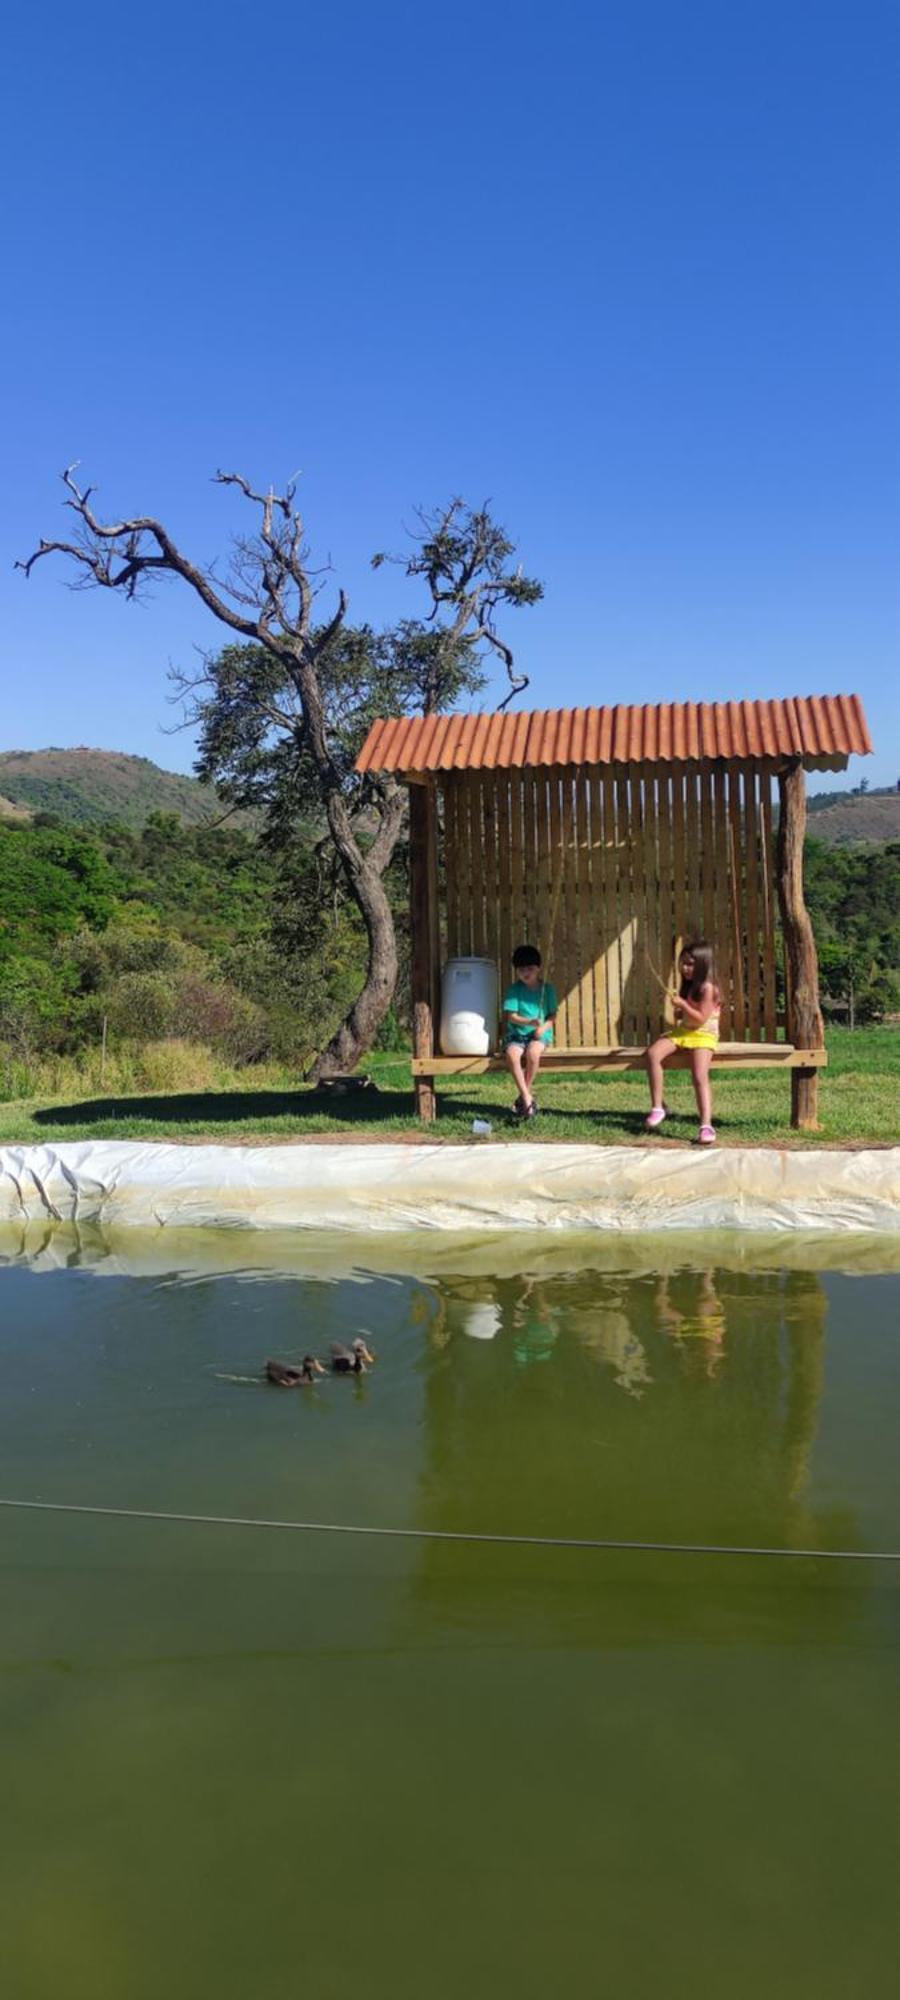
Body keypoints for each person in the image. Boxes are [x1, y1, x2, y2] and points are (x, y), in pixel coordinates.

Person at [644, 939, 720, 1145]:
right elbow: (686, 1018)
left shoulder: (708, 988)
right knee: (653, 1054)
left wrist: (683, 1006)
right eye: (683, 963)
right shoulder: (688, 985)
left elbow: (700, 1018)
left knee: (699, 1075)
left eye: (690, 964)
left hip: (703, 1034)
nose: (685, 968)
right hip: (685, 1032)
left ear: (703, 964)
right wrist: (679, 1009)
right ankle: (658, 1107)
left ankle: (706, 1125)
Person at [502, 943, 557, 1121]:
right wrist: (528, 1022)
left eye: (530, 969)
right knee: (512, 1054)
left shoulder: (547, 990)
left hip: (539, 1035)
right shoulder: (514, 990)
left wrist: (541, 1028)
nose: (526, 973)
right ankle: (527, 1097)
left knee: (533, 1053)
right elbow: (511, 1016)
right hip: (517, 1034)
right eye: (521, 970)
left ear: (538, 969)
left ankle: (523, 1096)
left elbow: (552, 1016)